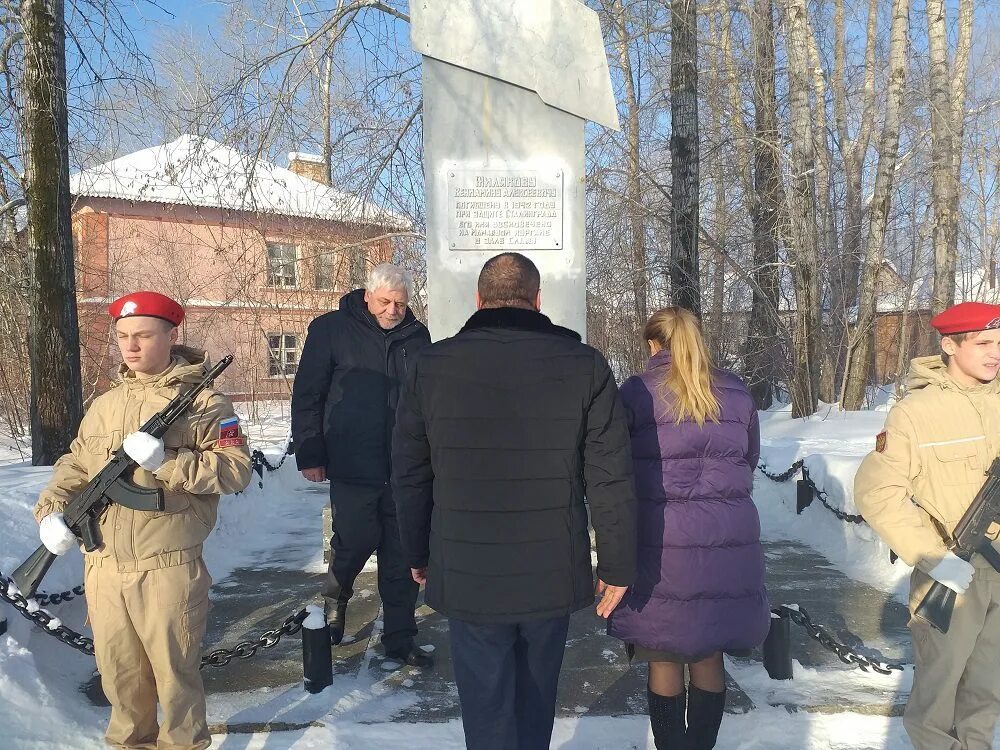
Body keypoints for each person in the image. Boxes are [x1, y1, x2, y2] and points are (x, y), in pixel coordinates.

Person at [392, 252, 637, 750]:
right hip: (549, 563)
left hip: (467, 565)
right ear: (538, 300)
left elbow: (410, 473)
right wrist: (617, 563)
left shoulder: (428, 366)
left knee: (485, 704)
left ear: (478, 301)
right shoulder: (585, 366)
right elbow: (610, 476)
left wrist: (418, 552)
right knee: (536, 696)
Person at [33, 291, 252, 750]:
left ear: (171, 336)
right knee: (120, 681)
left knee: (175, 682)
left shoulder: (205, 403)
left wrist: (167, 461)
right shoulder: (104, 405)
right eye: (123, 337)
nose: (130, 347)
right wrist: (53, 510)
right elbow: (76, 465)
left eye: (143, 336)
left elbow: (235, 470)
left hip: (167, 565)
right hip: (105, 567)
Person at [606, 307, 769, 749]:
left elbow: (617, 465)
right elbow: (748, 460)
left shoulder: (637, 392)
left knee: (663, 652)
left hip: (662, 540)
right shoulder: (735, 391)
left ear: (653, 343)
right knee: (709, 651)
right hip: (727, 536)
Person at [855, 301, 1000, 750]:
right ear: (950, 345)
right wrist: (932, 557)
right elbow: (876, 493)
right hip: (953, 575)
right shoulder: (915, 413)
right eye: (984, 343)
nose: (996, 353)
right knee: (937, 702)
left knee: (986, 694)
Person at [291, 262, 432, 666]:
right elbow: (308, 395)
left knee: (403, 554)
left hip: (405, 467)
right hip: (353, 460)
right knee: (352, 542)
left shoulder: (416, 337)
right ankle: (335, 604)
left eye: (401, 304)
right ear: (368, 296)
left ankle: (401, 638)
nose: (393, 310)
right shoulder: (331, 329)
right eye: (385, 302)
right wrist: (311, 452)